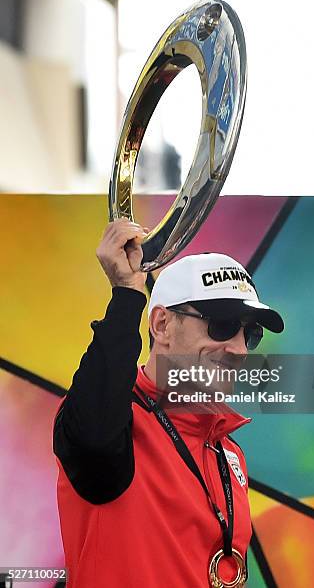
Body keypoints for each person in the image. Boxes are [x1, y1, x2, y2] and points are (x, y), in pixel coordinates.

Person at [53, 218, 284, 588]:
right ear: (161, 325)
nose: (239, 349)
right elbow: (94, 434)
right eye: (222, 326)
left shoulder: (228, 450)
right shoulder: (115, 421)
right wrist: (128, 295)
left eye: (250, 333)